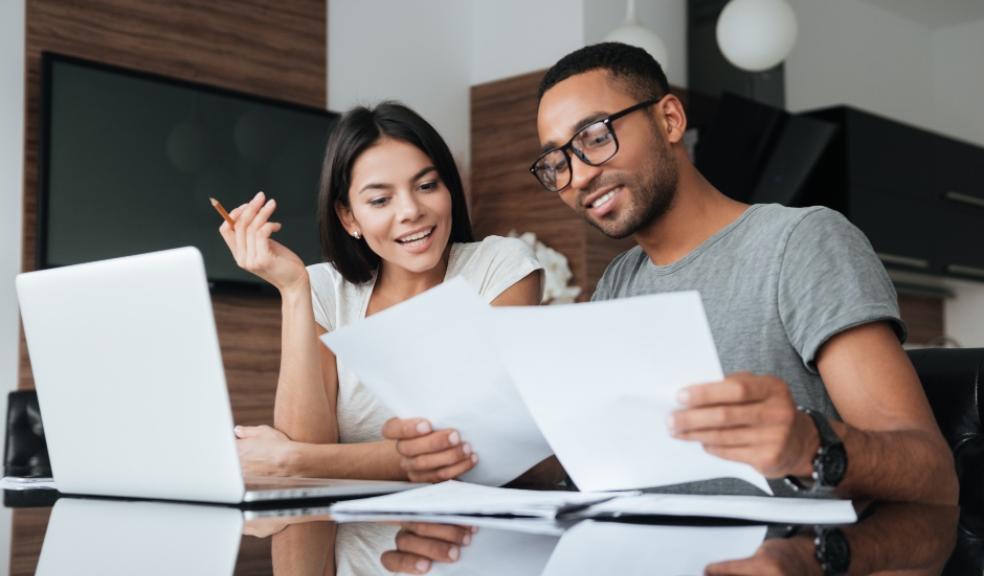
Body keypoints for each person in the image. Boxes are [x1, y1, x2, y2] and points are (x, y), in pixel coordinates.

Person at [387, 42, 958, 504]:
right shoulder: (618, 281)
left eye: (594, 137)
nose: (579, 176)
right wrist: (463, 453)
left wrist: (810, 443)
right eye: (557, 162)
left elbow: (931, 472)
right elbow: (591, 466)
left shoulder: (801, 242)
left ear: (669, 118)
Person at [219, 102, 543, 482]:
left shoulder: (500, 267)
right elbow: (305, 444)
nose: (410, 210)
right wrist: (293, 290)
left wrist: (293, 460)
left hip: (468, 537)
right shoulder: (324, 289)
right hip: (347, 538)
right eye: (380, 199)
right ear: (348, 217)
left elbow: (476, 447)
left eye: (426, 186)